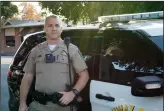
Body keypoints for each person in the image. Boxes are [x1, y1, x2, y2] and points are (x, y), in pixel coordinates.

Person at [18, 15, 89, 111]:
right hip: (39, 106)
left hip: (64, 106)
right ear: (45, 28)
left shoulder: (71, 49)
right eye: (50, 25)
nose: (54, 28)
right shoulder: (36, 50)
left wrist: (72, 93)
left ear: (61, 28)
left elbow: (84, 75)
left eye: (57, 25)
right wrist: (22, 103)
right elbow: (27, 77)